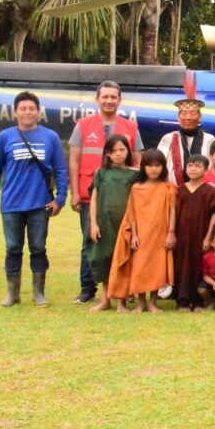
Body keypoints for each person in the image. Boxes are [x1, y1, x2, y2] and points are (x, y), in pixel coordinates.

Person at [0, 91, 69, 308]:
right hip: (12, 204)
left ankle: (38, 293)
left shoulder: (50, 137)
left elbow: (60, 169)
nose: (27, 112)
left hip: (40, 204)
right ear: (15, 112)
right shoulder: (5, 137)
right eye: (23, 108)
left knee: (38, 247)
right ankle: (12, 294)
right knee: (13, 247)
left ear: (38, 112)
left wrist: (60, 198)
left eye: (32, 108)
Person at [68, 81, 143, 305]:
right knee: (90, 241)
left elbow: (138, 161)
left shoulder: (131, 127)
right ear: (97, 99)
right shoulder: (83, 125)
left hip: (122, 196)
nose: (109, 101)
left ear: (120, 100)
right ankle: (87, 288)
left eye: (113, 97)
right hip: (90, 194)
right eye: (105, 97)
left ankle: (125, 288)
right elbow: (74, 160)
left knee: (124, 242)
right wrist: (73, 192)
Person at [107, 149, 177, 314]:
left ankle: (153, 302)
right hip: (142, 235)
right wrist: (135, 235)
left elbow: (173, 211)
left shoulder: (168, 188)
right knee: (139, 267)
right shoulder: (137, 188)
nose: (154, 169)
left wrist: (171, 233)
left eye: (157, 165)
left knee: (157, 268)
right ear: (143, 167)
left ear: (163, 167)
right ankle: (141, 302)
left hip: (160, 234)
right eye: (149, 166)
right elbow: (132, 212)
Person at [86, 134, 137, 313]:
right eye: (114, 151)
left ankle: (121, 301)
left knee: (122, 261)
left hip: (124, 224)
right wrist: (93, 224)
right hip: (104, 223)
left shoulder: (134, 174)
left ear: (128, 151)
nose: (118, 154)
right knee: (104, 259)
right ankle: (105, 299)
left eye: (122, 150)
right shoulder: (101, 173)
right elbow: (94, 199)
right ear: (107, 153)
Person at [174, 154, 215, 311]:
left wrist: (208, 237)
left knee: (198, 265)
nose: (193, 169)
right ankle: (182, 300)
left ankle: (198, 301)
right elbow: (173, 213)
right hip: (182, 235)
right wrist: (171, 233)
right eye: (190, 166)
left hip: (201, 234)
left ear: (206, 170)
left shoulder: (209, 191)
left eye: (197, 166)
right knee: (181, 265)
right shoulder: (179, 190)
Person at [156, 77, 215, 187]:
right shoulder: (169, 138)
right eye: (184, 113)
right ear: (178, 117)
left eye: (193, 113)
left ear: (200, 117)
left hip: (203, 193)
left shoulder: (209, 140)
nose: (188, 118)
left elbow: (214, 167)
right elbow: (159, 163)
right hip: (174, 192)